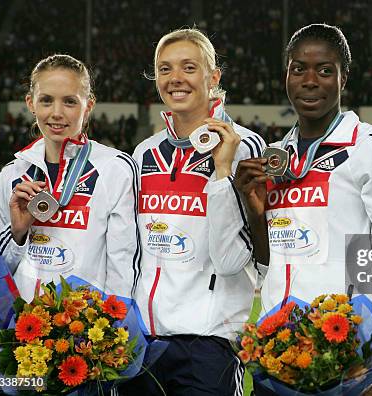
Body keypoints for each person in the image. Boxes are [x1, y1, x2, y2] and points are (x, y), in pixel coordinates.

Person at [234, 24, 372, 396]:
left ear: (343, 78)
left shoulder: (369, 144)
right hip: (278, 359)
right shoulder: (275, 158)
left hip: (347, 361)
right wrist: (254, 212)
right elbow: (270, 264)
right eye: (298, 69)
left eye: (324, 70)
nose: (310, 80)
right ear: (286, 76)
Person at [119, 28, 265, 395]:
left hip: (208, 341)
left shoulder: (245, 146)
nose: (175, 79)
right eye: (164, 69)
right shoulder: (144, 153)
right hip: (146, 338)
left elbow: (236, 257)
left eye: (188, 67)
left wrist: (222, 171)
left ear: (213, 77)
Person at [0, 54, 140, 300]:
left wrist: (114, 328)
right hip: (25, 331)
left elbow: (123, 264)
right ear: (30, 103)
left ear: (88, 106)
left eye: (69, 102)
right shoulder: (10, 176)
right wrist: (17, 233)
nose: (57, 113)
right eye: (46, 100)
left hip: (91, 329)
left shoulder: (115, 169)